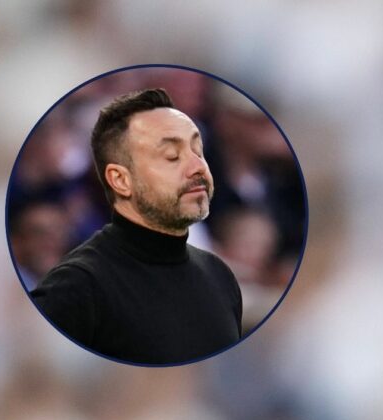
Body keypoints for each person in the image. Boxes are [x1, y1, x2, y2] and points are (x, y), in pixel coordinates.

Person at [30, 88, 242, 365]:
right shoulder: (76, 288)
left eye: (197, 150)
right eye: (171, 155)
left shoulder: (219, 275)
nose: (197, 167)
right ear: (120, 180)